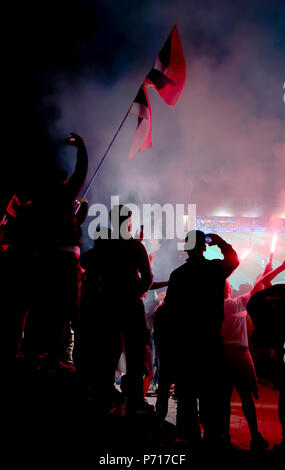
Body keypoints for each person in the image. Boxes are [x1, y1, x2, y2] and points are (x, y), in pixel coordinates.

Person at [163, 230, 239, 445]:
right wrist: (221, 242)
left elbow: (170, 310)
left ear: (186, 248)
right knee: (211, 390)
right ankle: (213, 435)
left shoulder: (178, 274)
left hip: (186, 340)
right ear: (204, 247)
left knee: (187, 391)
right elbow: (234, 260)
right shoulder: (214, 269)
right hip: (209, 338)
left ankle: (188, 435)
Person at [24, 133, 88, 370]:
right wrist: (82, 148)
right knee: (65, 308)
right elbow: (81, 173)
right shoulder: (62, 194)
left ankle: (35, 353)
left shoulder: (39, 200)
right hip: (63, 260)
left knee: (42, 306)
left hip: (44, 258)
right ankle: (52, 356)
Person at [81, 205, 153, 412]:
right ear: (128, 222)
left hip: (108, 302)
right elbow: (147, 277)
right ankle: (135, 399)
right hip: (130, 303)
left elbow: (86, 262)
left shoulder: (103, 245)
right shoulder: (136, 247)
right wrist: (136, 291)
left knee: (108, 350)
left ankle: (103, 395)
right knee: (135, 351)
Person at [221, 261, 285, 451]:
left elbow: (257, 289)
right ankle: (255, 435)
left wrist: (265, 275)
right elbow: (258, 288)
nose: (231, 286)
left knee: (223, 398)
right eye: (229, 285)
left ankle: (223, 435)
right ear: (228, 290)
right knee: (246, 397)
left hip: (220, 356)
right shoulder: (234, 304)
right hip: (239, 355)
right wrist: (279, 269)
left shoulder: (212, 307)